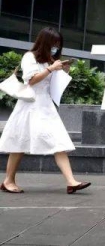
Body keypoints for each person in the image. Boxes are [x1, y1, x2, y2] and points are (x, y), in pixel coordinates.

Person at [0, 27, 90, 194]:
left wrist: (62, 70)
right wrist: (50, 69)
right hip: (30, 105)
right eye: (53, 43)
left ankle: (71, 181)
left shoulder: (49, 59)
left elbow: (51, 84)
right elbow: (32, 80)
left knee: (58, 140)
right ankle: (8, 180)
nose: (56, 47)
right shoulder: (30, 57)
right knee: (20, 142)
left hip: (46, 106)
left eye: (58, 44)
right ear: (45, 42)